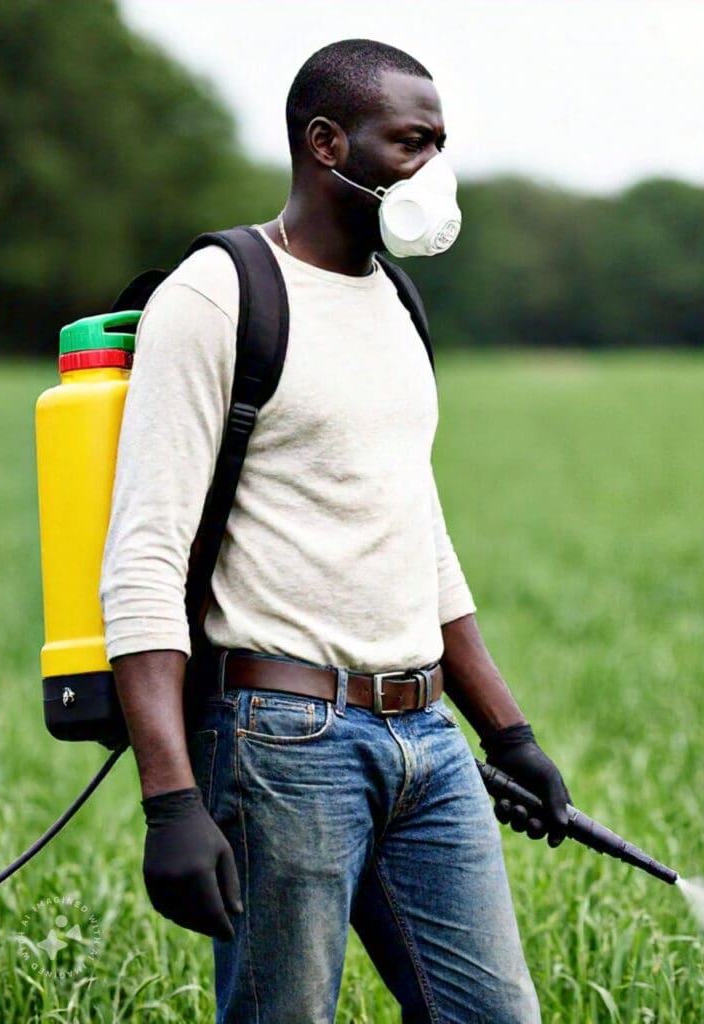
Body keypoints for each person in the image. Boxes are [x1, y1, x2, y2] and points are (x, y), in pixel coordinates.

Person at [100, 38, 572, 1024]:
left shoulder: (398, 301)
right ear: (326, 144)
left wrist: (509, 732)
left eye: (440, 145)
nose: (432, 172)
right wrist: (171, 803)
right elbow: (144, 551)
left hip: (427, 740)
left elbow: (415, 527)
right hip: (282, 738)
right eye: (410, 144)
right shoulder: (216, 295)